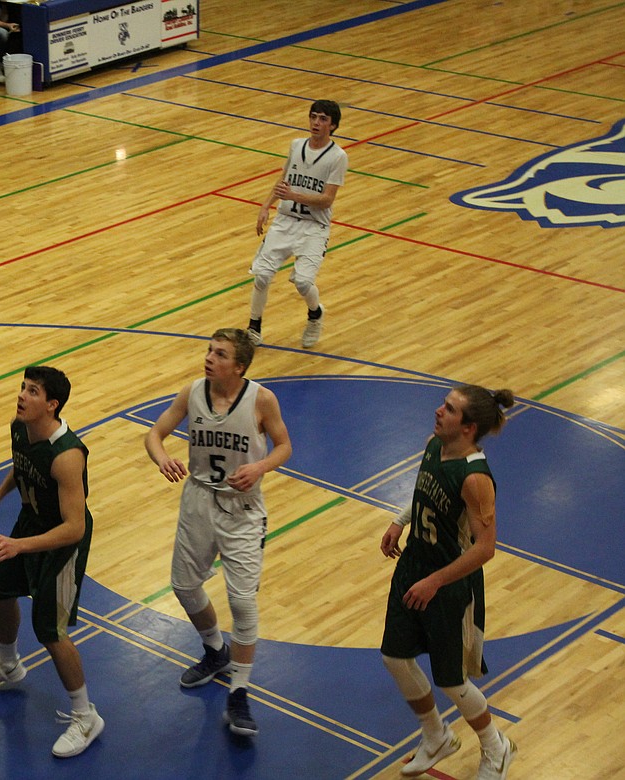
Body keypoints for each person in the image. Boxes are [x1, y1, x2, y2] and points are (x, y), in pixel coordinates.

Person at [144, 328, 292, 737]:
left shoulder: (261, 399)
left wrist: (260, 467)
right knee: (184, 586)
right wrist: (161, 458)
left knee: (243, 602)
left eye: (220, 354)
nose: (209, 358)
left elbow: (284, 446)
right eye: (209, 350)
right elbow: (154, 434)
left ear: (239, 366)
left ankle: (240, 693)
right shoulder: (193, 391)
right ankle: (215, 650)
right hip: (198, 499)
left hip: (243, 510)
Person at [379, 385, 517, 779]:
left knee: (452, 681)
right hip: (413, 567)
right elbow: (426, 490)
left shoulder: (476, 478)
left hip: (449, 585)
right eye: (444, 403)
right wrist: (399, 520)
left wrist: (435, 582)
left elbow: (485, 548)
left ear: (469, 428)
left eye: (450, 409)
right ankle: (435, 734)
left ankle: (497, 747)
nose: (439, 411)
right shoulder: (433, 444)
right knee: (394, 657)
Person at [0, 366, 104, 758]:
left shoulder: (68, 456)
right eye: (23, 388)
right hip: (30, 524)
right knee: (0, 594)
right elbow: (23, 465)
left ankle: (86, 715)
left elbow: (74, 528)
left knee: (50, 630)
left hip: (62, 542)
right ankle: (8, 666)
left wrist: (20, 546)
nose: (22, 396)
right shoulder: (21, 426)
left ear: (52, 405)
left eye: (32, 392)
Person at [244, 99, 347, 349]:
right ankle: (253, 327)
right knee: (262, 276)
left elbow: (326, 200)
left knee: (302, 282)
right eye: (313, 117)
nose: (316, 122)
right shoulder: (296, 145)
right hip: (286, 220)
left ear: (333, 125)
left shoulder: (338, 157)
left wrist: (294, 196)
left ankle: (315, 314)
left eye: (323, 119)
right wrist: (266, 205)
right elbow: (283, 180)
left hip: (314, 227)